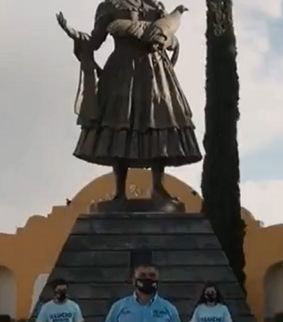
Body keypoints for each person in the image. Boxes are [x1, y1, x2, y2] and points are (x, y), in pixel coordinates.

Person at [56, 0, 202, 202]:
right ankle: (119, 191)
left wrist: (167, 39)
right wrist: (75, 35)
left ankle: (158, 187)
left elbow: (169, 36)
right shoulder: (110, 6)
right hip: (121, 71)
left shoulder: (156, 6)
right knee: (119, 124)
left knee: (159, 123)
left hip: (155, 70)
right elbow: (94, 41)